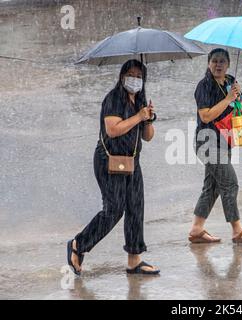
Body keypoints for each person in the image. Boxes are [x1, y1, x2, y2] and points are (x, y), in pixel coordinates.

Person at [67, 59, 160, 276]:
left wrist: (148, 119)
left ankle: (134, 260)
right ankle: (78, 244)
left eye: (139, 76)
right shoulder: (113, 98)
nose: (135, 80)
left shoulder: (140, 101)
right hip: (108, 161)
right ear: (122, 76)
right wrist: (138, 117)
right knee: (114, 209)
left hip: (132, 162)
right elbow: (112, 130)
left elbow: (148, 137)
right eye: (131, 75)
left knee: (136, 208)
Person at [189, 48, 242, 244]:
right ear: (208, 63)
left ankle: (196, 229)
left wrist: (237, 98)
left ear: (228, 64)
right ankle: (237, 230)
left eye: (222, 61)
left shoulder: (231, 81)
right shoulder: (203, 86)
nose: (218, 65)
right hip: (207, 141)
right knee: (230, 183)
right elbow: (205, 116)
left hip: (225, 140)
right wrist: (228, 98)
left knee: (212, 187)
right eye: (214, 61)